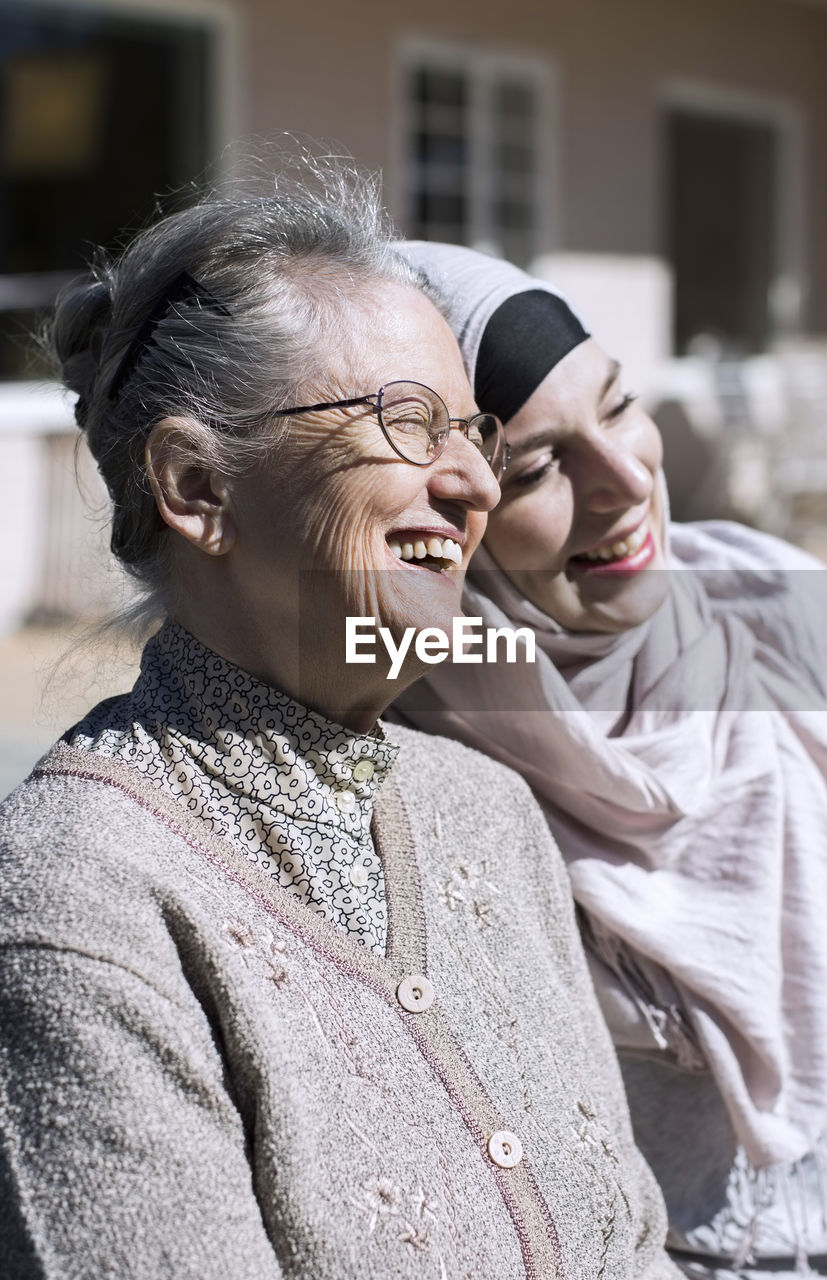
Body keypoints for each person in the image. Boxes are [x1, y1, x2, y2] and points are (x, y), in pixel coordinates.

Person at [0, 163, 679, 1279]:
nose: (472, 483)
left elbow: (635, 1244)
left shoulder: (482, 806)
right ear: (197, 488)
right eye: (407, 423)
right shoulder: (82, 893)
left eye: (475, 433)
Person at [392, 241, 827, 1280]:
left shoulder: (775, 597)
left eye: (619, 405)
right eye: (537, 467)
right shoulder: (421, 751)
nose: (623, 477)